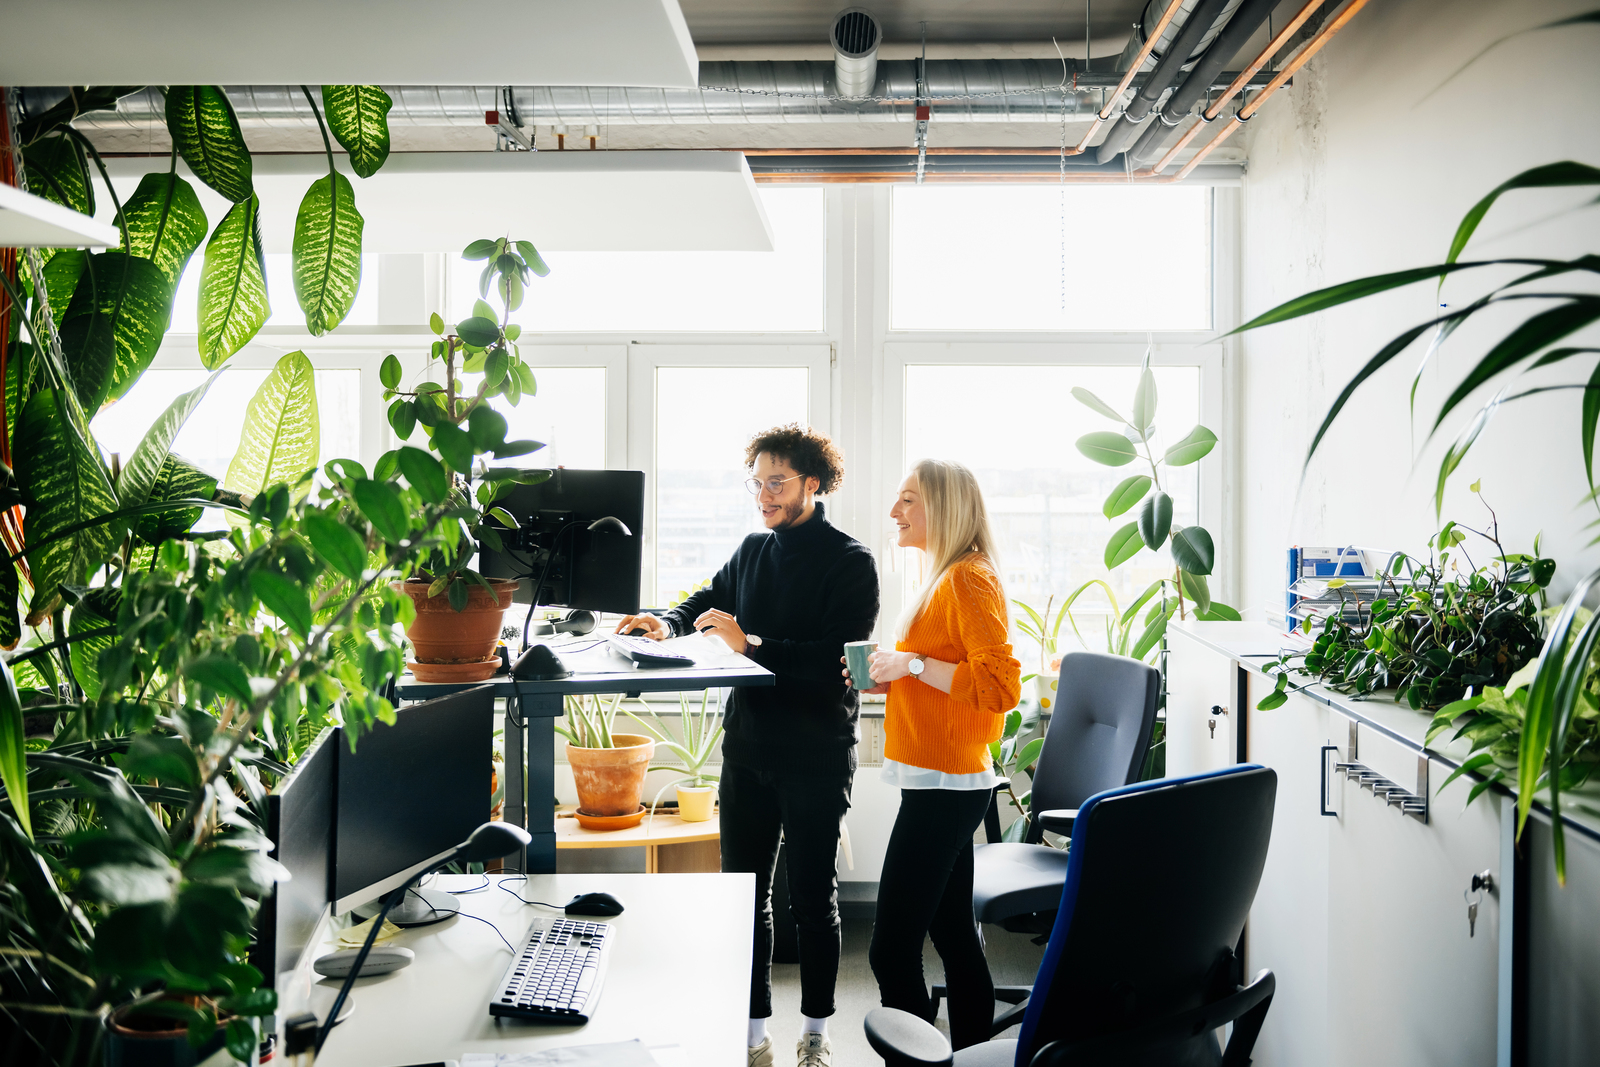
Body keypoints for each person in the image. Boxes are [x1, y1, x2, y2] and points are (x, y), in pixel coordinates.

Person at [615, 424, 879, 1067]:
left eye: (777, 482)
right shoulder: (753, 548)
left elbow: (831, 665)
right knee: (744, 896)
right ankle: (753, 1032)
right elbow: (709, 601)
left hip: (815, 750)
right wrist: (667, 620)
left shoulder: (852, 562)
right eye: (757, 482)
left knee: (813, 899)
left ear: (813, 484)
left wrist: (751, 644)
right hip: (750, 746)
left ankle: (815, 1035)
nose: (764, 494)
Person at [844, 459, 1021, 1052]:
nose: (895, 512)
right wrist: (894, 675)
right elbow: (947, 672)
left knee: (889, 949)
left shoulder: (969, 578)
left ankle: (918, 1059)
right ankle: (971, 1053)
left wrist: (913, 663)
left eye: (908, 500)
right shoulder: (944, 576)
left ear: (943, 506)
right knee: (952, 935)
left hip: (948, 786)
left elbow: (998, 687)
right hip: (938, 779)